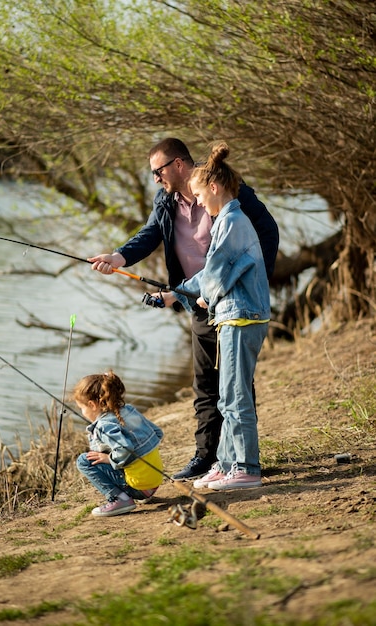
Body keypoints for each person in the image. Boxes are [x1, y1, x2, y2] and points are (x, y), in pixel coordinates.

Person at [88, 138, 279, 481]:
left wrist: (253, 283)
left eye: (157, 171)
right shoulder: (165, 201)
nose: (155, 179)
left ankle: (243, 461)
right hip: (198, 300)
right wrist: (118, 257)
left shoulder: (228, 194)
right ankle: (210, 459)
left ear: (177, 164)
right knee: (206, 384)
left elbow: (265, 233)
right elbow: (149, 235)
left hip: (233, 301)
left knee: (236, 385)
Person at [173, 141, 270, 489]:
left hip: (241, 318)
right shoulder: (227, 221)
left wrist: (203, 298)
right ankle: (227, 462)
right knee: (227, 394)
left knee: (235, 395)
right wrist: (175, 293)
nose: (198, 203)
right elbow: (208, 273)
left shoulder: (232, 221)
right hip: (233, 317)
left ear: (213, 188)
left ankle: (246, 467)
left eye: (199, 196)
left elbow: (215, 277)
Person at [72, 371, 164, 517]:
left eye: (82, 408)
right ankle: (143, 491)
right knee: (112, 454)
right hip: (154, 484)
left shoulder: (104, 425)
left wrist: (110, 459)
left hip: (138, 487)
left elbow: (125, 448)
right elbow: (158, 433)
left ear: (92, 405)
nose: (82, 412)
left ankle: (120, 499)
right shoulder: (128, 411)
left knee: (84, 460)